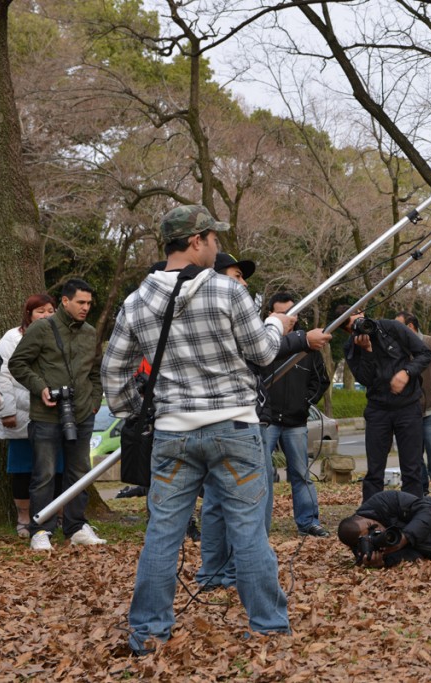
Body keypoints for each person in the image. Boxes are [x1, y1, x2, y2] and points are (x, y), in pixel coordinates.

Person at [101, 204, 295, 654]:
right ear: (195, 242)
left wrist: (140, 410)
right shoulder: (229, 293)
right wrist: (276, 323)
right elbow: (264, 353)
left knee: (163, 534)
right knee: (248, 530)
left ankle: (148, 632)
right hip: (234, 426)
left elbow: (114, 375)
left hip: (173, 433)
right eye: (214, 239)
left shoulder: (136, 301)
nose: (218, 246)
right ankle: (268, 626)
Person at [194, 255, 332, 589]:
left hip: (260, 417)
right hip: (242, 421)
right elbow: (258, 350)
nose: (243, 283)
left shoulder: (209, 309)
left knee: (219, 499)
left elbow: (317, 380)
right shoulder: (221, 313)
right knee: (248, 499)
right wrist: (291, 334)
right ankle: (245, 581)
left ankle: (218, 573)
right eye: (237, 275)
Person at [9, 279, 106, 551]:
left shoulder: (89, 333)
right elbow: (17, 363)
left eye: (89, 303)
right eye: (80, 302)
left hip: (83, 414)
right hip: (47, 415)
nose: (86, 308)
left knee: (80, 472)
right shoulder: (42, 328)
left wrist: (95, 399)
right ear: (65, 301)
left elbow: (96, 371)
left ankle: (76, 527)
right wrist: (40, 387)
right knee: (45, 474)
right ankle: (40, 530)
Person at [337, 305, 431, 502]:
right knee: (374, 470)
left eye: (358, 317)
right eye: (352, 325)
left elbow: (425, 353)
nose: (359, 324)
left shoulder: (391, 328)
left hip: (408, 406)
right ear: (348, 330)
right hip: (378, 409)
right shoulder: (351, 347)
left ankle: (413, 511)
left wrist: (406, 373)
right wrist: (367, 352)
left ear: (362, 311)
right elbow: (364, 379)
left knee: (412, 467)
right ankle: (372, 515)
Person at [260, 291, 330, 536]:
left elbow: (321, 381)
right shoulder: (262, 344)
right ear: (271, 314)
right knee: (262, 474)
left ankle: (308, 521)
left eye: (292, 312)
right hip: (267, 420)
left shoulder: (309, 347)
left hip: (295, 420)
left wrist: (305, 402)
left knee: (301, 473)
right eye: (281, 312)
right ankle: (260, 526)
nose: (288, 317)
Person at [0, 294, 61, 538]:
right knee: (23, 468)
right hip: (22, 414)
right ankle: (23, 517)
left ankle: (56, 514)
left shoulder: (61, 335)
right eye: (40, 311)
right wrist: (7, 410)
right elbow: (0, 374)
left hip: (53, 413)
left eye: (50, 310)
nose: (45, 315)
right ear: (29, 314)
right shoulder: (13, 338)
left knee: (57, 466)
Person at [394, 311, 431, 497]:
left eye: (398, 326)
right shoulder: (397, 349)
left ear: (411, 326)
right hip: (407, 410)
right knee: (413, 453)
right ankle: (419, 488)